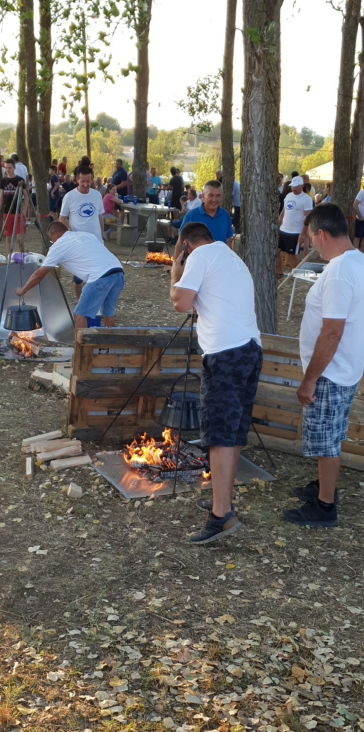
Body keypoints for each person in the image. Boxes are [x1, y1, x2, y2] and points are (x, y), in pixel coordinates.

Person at [170, 222, 262, 544]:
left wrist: (175, 273)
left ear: (186, 246)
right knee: (232, 434)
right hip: (250, 349)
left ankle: (221, 517)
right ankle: (223, 501)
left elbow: (180, 303)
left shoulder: (200, 256)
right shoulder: (231, 258)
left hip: (224, 354)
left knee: (220, 435)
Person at [283, 204, 364, 528]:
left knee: (327, 439)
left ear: (322, 234)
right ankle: (323, 485)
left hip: (331, 371)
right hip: (345, 367)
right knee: (332, 432)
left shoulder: (339, 271)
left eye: (311, 237)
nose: (311, 244)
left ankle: (325, 505)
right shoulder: (357, 261)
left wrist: (310, 379)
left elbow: (332, 332)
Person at [15, 222, 125, 329]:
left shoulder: (58, 246)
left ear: (55, 233)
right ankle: (112, 340)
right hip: (118, 272)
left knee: (80, 315)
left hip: (99, 277)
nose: (52, 241)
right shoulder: (87, 235)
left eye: (51, 238)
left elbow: (40, 274)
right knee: (108, 313)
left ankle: (81, 342)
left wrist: (23, 290)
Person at [174, 180, 233, 260]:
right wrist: (176, 264)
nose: (214, 199)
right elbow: (180, 243)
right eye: (210, 195)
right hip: (196, 263)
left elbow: (228, 243)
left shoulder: (225, 216)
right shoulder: (191, 216)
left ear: (221, 197)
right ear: (203, 196)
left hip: (219, 263)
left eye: (218, 196)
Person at [277, 175, 313, 277]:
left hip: (296, 231)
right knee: (277, 251)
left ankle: (292, 276)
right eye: (292, 186)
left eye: (296, 187)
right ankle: (280, 272)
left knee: (293, 255)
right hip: (283, 229)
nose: (293, 188)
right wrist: (279, 223)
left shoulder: (306, 199)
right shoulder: (288, 196)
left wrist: (303, 233)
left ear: (301, 186)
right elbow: (284, 211)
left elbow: (308, 217)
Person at [59, 166, 104, 242]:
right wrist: (70, 231)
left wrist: (101, 236)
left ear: (92, 180)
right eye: (83, 181)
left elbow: (100, 216)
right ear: (77, 180)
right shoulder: (69, 196)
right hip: (78, 242)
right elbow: (62, 218)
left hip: (96, 240)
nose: (85, 185)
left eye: (88, 181)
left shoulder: (97, 195)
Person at [0, 158, 26, 254]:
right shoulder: (3, 180)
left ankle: (22, 254)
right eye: (6, 168)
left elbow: (27, 197)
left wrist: (24, 210)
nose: (7, 170)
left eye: (9, 168)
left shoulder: (20, 180)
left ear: (14, 168)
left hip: (18, 212)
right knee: (7, 237)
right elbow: (1, 197)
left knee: (19, 238)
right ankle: (8, 256)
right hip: (7, 212)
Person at [353, 186, 364, 252]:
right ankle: (355, 254)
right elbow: (355, 204)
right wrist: (360, 216)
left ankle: (362, 255)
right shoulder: (362, 192)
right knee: (358, 238)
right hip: (361, 220)